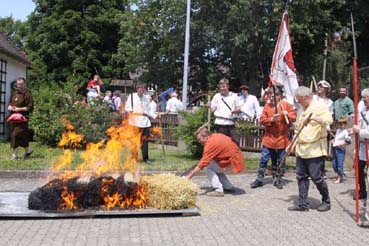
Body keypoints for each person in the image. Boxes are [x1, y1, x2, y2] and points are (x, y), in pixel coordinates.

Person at [287, 86, 333, 212]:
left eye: (299, 100)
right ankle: (303, 204)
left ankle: (326, 201)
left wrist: (315, 118)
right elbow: (297, 129)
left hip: (315, 149)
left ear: (305, 97)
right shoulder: (301, 110)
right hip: (302, 148)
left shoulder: (319, 106)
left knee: (316, 176)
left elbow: (329, 120)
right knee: (301, 176)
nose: (298, 102)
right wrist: (292, 144)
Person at [250, 87, 296, 189]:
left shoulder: (286, 105)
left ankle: (278, 178)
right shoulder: (267, 106)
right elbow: (262, 120)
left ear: (280, 96)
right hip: (269, 137)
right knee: (264, 158)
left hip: (282, 138)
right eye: (270, 94)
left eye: (275, 95)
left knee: (281, 160)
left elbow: (294, 117)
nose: (272, 96)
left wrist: (287, 114)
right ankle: (259, 179)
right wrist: (271, 119)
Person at [185, 126, 245, 197]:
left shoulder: (210, 144)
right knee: (214, 165)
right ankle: (228, 186)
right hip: (236, 160)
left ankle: (218, 190)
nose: (199, 141)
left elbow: (203, 163)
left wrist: (189, 176)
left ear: (206, 136)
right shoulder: (214, 136)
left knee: (207, 166)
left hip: (234, 162)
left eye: (199, 139)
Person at [125, 84, 157, 163]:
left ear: (144, 90)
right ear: (137, 89)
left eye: (142, 89)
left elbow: (149, 110)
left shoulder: (146, 98)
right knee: (134, 141)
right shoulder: (132, 96)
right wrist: (129, 110)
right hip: (134, 121)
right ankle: (134, 158)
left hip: (145, 121)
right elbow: (127, 107)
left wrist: (155, 116)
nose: (141, 90)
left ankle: (146, 158)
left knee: (145, 141)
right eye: (139, 89)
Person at [7, 77, 34, 160]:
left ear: (24, 84)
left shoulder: (27, 94)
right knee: (19, 136)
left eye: (21, 84)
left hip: (22, 118)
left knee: (16, 135)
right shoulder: (14, 93)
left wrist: (19, 109)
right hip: (13, 118)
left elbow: (30, 107)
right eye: (18, 84)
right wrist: (9, 107)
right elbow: (10, 103)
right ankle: (28, 150)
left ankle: (14, 155)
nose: (19, 86)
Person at [209, 78, 240, 146]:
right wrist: (209, 106)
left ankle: (233, 156)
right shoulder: (217, 96)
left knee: (235, 142)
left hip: (231, 123)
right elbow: (212, 109)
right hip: (220, 124)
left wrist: (236, 110)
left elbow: (238, 108)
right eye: (220, 87)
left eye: (224, 87)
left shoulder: (234, 96)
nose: (222, 88)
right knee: (221, 144)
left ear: (228, 86)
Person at [351, 88, 369, 201]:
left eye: (365, 97)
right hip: (362, 145)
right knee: (359, 170)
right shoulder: (362, 109)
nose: (363, 100)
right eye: (362, 97)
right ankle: (362, 191)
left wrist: (360, 132)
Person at [331, 117, 351, 184]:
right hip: (335, 147)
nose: (340, 125)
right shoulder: (338, 131)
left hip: (340, 149)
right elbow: (336, 138)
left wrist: (342, 144)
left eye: (341, 124)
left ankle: (340, 177)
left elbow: (348, 141)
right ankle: (337, 174)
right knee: (334, 163)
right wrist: (334, 140)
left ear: (345, 124)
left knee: (340, 164)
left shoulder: (345, 132)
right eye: (339, 124)